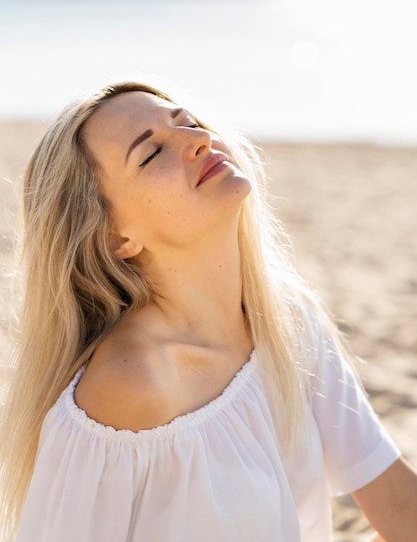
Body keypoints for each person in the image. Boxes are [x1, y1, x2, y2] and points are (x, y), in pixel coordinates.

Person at [0, 80, 416, 542]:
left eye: (188, 123)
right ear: (115, 238)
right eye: (152, 153)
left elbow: (399, 507)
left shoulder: (285, 317)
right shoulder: (130, 386)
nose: (198, 140)